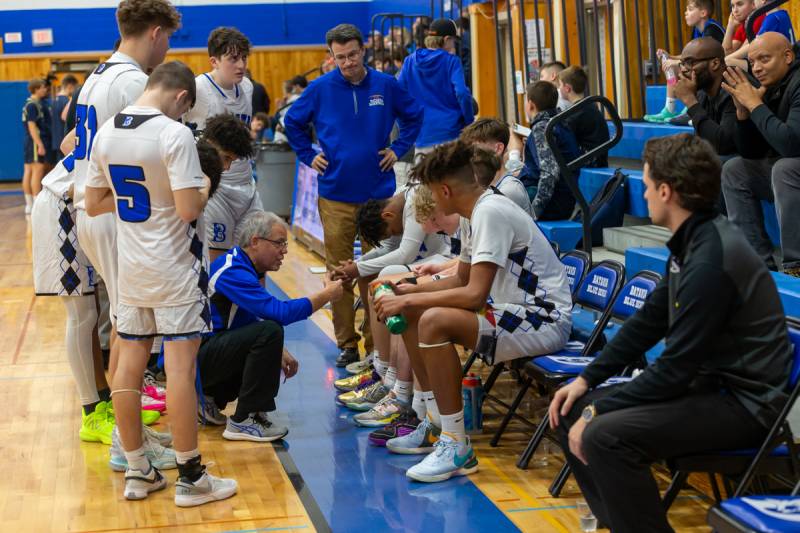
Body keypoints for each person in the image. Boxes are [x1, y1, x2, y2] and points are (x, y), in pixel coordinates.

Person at [548, 133, 792, 533]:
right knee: (566, 411)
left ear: (666, 191)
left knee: (605, 435)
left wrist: (599, 409)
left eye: (645, 187)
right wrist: (586, 380)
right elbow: (648, 321)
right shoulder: (693, 241)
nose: (642, 195)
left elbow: (675, 370)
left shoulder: (712, 258)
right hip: (708, 389)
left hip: (744, 405)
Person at [85, 60, 237, 506]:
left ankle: (137, 469)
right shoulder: (175, 134)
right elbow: (190, 209)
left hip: (131, 267)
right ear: (182, 98)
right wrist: (205, 184)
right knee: (179, 371)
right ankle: (192, 477)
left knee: (126, 370)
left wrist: (146, 197)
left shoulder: (108, 131)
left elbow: (93, 203)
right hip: (174, 269)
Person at [373, 140, 571, 482]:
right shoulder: (474, 213)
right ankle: (433, 419)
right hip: (512, 311)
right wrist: (411, 291)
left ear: (446, 190)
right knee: (414, 313)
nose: (432, 201)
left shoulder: (490, 212)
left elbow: (475, 295)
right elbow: (461, 279)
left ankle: (456, 444)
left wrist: (409, 298)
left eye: (433, 193)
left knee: (431, 318)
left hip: (542, 317)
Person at [284, 23, 423, 368]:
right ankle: (347, 343)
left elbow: (414, 116)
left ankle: (377, 343)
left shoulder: (387, 86)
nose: (347, 62)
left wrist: (399, 148)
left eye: (352, 55)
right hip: (335, 195)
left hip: (379, 197)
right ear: (331, 56)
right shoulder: (319, 89)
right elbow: (293, 123)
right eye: (339, 57)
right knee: (340, 272)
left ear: (364, 51)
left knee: (378, 269)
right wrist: (306, 153)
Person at [72, 0, 181, 399]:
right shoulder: (134, 82)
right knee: (131, 329)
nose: (167, 46)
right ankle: (126, 435)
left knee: (125, 323)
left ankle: (128, 427)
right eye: (167, 37)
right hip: (115, 210)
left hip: (93, 207)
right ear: (155, 32)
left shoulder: (98, 74)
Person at [200, 211, 343, 440]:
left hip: (205, 356)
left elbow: (245, 319)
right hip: (197, 361)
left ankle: (207, 399)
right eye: (279, 243)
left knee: (268, 335)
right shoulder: (233, 271)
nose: (284, 250)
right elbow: (280, 314)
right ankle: (244, 420)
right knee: (271, 330)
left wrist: (279, 351)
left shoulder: (240, 264)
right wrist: (326, 294)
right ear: (255, 242)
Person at [333, 184, 453, 413]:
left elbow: (404, 253)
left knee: (388, 280)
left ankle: (397, 386)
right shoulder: (402, 199)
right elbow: (389, 247)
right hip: (437, 262)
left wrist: (358, 268)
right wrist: (358, 265)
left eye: (392, 230)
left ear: (387, 215)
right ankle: (383, 370)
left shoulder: (415, 199)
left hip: (445, 259)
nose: (395, 234)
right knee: (378, 280)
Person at [721, 32, 800, 276]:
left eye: (764, 59)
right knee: (734, 170)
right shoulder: (770, 86)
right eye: (752, 62)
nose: (756, 68)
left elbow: (792, 145)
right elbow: (751, 153)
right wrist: (744, 114)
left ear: (787, 56)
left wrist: (756, 105)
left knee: (784, 168)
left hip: (791, 170)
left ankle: (795, 266)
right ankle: (756, 265)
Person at [183, 27, 260, 262]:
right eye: (233, 58)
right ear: (214, 61)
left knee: (260, 254)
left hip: (247, 183)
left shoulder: (247, 87)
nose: (241, 65)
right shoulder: (198, 89)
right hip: (217, 187)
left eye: (244, 58)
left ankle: (258, 301)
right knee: (219, 259)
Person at [397, 17, 473, 158]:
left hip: (422, 136)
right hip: (450, 134)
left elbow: (397, 97)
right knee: (452, 179)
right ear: (446, 39)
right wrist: (469, 122)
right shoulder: (452, 61)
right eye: (453, 41)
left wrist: (405, 127)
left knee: (427, 180)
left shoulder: (409, 61)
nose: (453, 44)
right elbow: (462, 93)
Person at [645, 0, 724, 123]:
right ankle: (669, 108)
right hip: (702, 66)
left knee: (681, 67)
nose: (685, 13)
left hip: (715, 70)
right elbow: (691, 56)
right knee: (671, 66)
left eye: (690, 9)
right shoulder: (697, 30)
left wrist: (677, 62)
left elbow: (706, 57)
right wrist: (670, 56)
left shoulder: (711, 28)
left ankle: (691, 108)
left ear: (703, 13)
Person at [523, 81, 582, 220]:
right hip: (562, 198)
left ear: (531, 104)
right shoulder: (558, 122)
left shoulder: (542, 127)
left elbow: (549, 173)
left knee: (494, 202)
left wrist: (535, 212)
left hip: (553, 202)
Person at [673, 37, 738, 156]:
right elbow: (703, 142)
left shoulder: (735, 88)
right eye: (682, 64)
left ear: (715, 63)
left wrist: (691, 101)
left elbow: (724, 145)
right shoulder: (703, 93)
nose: (683, 70)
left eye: (690, 63)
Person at [459, 118, 531, 214]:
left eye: (475, 149)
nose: (470, 155)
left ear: (498, 148)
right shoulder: (486, 185)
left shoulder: (509, 190)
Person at [557, 66, 611, 167]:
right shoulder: (588, 105)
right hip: (596, 159)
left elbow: (562, 138)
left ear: (567, 88)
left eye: (560, 85)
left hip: (590, 161)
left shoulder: (577, 112)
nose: (559, 89)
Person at [726, 0, 791, 70]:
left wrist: (729, 58)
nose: (753, 3)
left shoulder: (772, 18)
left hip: (779, 65)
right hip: (781, 61)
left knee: (728, 61)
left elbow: (754, 45)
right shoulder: (781, 14)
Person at [22, 78, 51, 214]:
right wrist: (40, 144)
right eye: (42, 87)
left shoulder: (31, 104)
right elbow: (32, 126)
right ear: (36, 89)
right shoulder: (33, 105)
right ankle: (34, 205)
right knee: (37, 171)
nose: (45, 90)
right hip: (35, 141)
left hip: (30, 141)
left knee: (28, 171)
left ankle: (29, 205)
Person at [50, 75, 78, 164]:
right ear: (70, 86)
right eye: (75, 88)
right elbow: (64, 117)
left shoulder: (54, 100)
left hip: (56, 140)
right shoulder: (66, 101)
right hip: (64, 140)